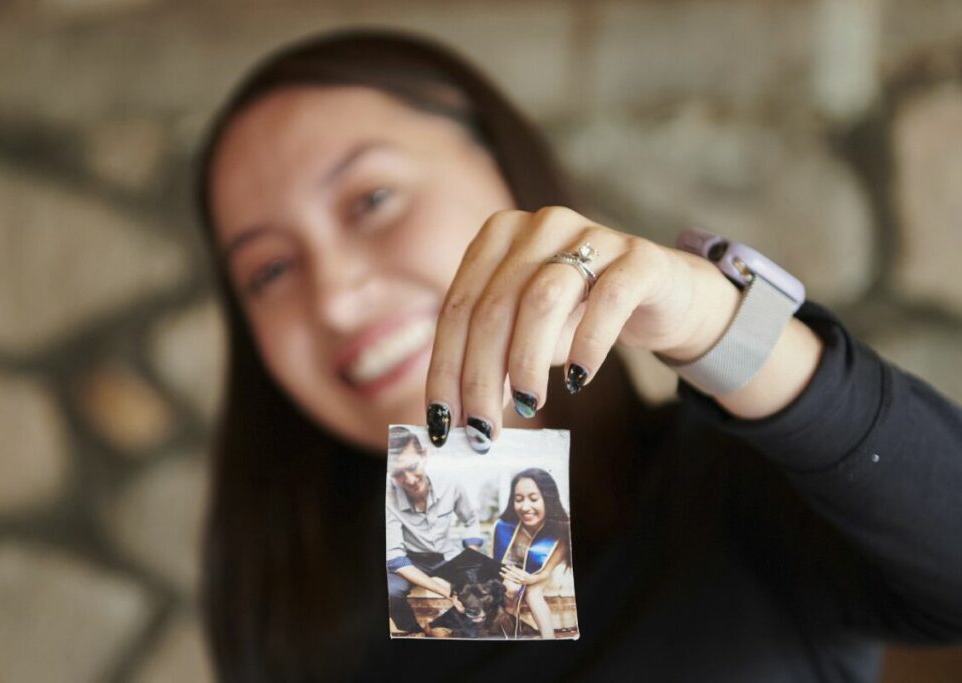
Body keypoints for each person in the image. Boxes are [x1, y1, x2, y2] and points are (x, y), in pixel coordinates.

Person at [194, 27, 962, 682]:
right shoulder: (312, 613)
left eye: (371, 199)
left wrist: (719, 323)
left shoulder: (732, 486)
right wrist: (474, 465)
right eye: (268, 269)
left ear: (504, 166)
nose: (333, 294)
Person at [385, 426, 484, 634]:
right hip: (410, 561)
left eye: (413, 467)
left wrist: (471, 552)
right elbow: (395, 558)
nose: (410, 480)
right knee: (390, 590)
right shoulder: (388, 497)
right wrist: (443, 590)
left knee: (479, 579)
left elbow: (471, 519)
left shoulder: (451, 481)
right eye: (398, 474)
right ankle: (413, 632)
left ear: (424, 455)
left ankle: (454, 631)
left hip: (446, 554)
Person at [493, 468, 573, 639]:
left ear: (548, 499)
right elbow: (499, 565)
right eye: (518, 499)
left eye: (534, 499)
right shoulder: (505, 526)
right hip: (518, 572)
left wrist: (532, 579)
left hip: (546, 572)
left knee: (533, 591)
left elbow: (546, 570)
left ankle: (548, 639)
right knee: (508, 588)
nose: (524, 507)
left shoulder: (561, 528)